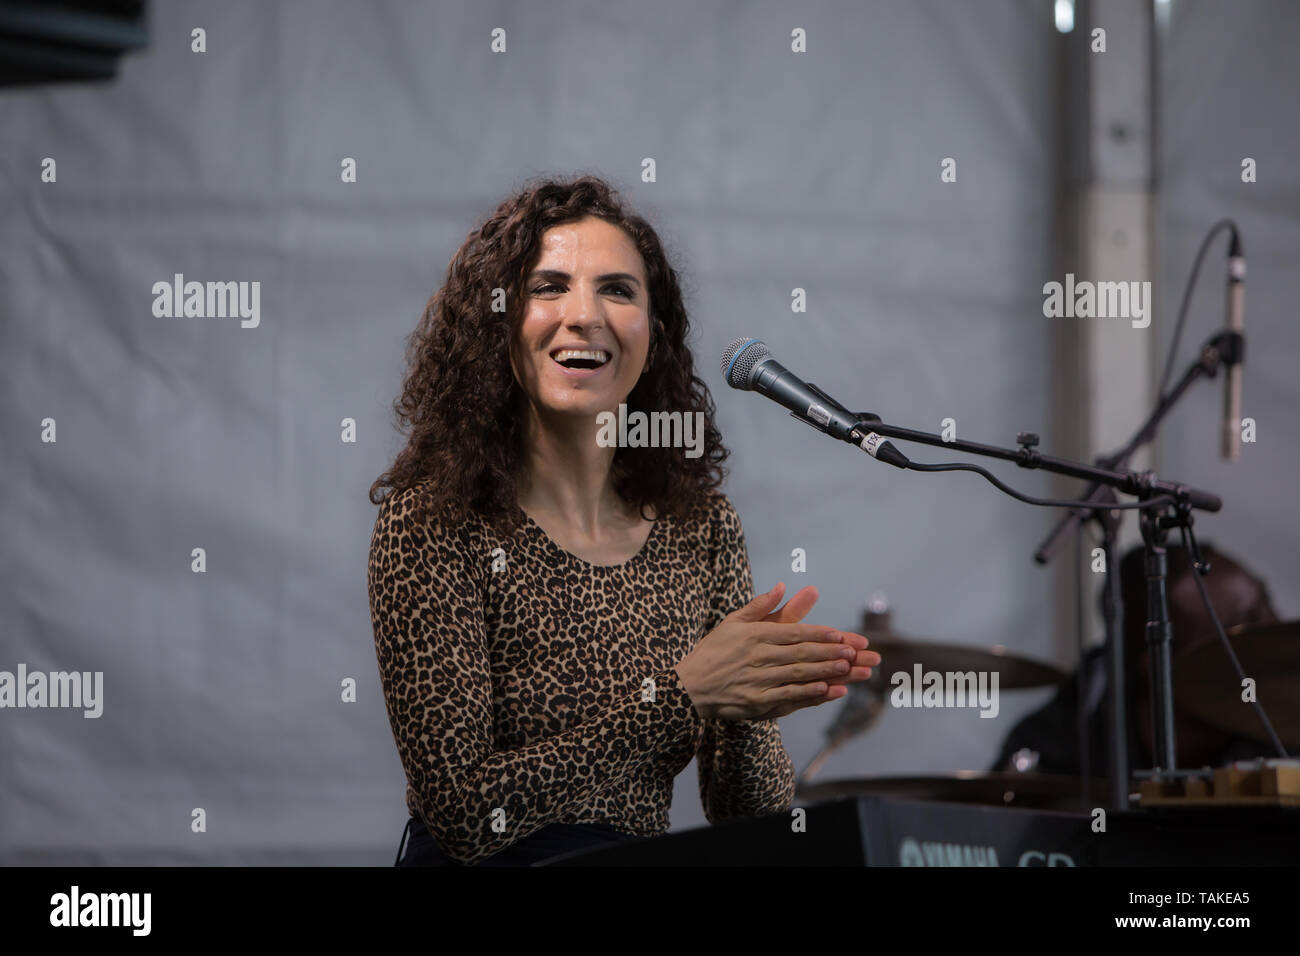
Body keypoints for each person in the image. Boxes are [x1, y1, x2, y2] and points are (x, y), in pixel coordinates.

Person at [367, 174, 881, 866]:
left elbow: (748, 816)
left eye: (618, 289)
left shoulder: (699, 526)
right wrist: (687, 696)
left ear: (655, 332)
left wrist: (747, 708)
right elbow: (465, 813)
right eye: (549, 287)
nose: (585, 314)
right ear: (498, 321)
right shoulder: (433, 520)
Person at [991, 542, 1282, 778]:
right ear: (1156, 664)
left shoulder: (1285, 726)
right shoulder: (1080, 716)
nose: (1273, 630)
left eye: (1266, 605)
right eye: (1242, 624)